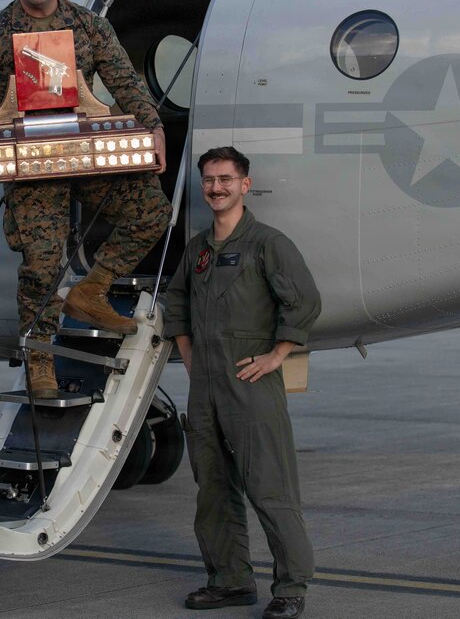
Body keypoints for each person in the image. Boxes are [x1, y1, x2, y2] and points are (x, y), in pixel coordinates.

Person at [0, 0, 171, 396]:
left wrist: (153, 126)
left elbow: (124, 79)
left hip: (87, 156)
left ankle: (92, 288)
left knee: (152, 211)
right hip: (31, 166)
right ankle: (40, 365)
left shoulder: (87, 26)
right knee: (42, 269)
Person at [163, 147, 321, 619]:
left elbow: (304, 302)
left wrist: (277, 355)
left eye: (226, 179)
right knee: (212, 489)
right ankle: (229, 580)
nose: (216, 188)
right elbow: (175, 303)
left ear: (244, 185)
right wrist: (190, 358)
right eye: (209, 180)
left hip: (250, 386)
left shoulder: (267, 244)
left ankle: (291, 586)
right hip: (206, 387)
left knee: (270, 487)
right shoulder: (198, 249)